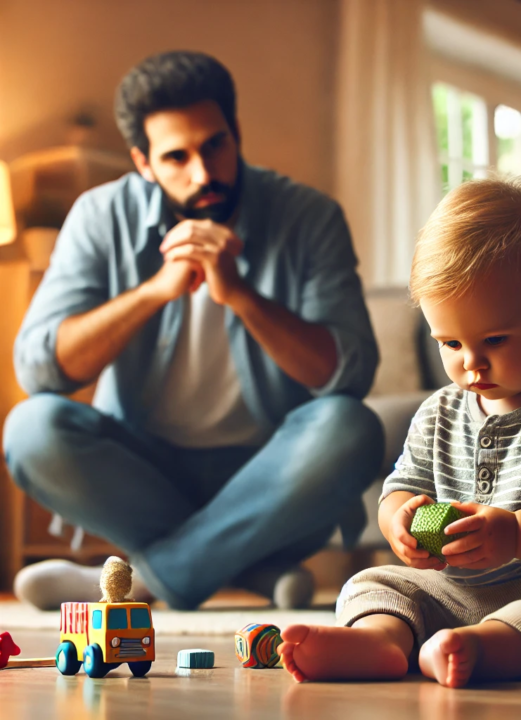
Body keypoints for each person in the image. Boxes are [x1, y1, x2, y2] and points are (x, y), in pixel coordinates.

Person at [3, 51, 383, 611]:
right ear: (143, 162)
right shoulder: (99, 216)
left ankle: (136, 582)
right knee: (30, 428)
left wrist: (241, 295)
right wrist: (154, 290)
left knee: (352, 427)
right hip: (143, 474)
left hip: (268, 475)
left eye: (215, 146)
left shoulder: (310, 216)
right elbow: (39, 367)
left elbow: (349, 373)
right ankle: (249, 569)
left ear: (235, 133)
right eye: (176, 157)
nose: (203, 174)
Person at [278, 177, 521, 685]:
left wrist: (515, 533)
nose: (471, 363)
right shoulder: (438, 413)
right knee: (372, 581)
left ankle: (493, 646)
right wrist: (399, 525)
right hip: (452, 592)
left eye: (494, 339)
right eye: (450, 343)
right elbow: (399, 490)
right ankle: (381, 642)